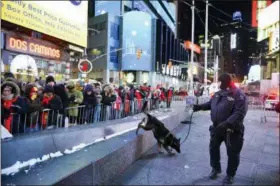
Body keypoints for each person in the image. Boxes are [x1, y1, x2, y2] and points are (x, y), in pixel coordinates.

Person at [192, 73, 248, 185]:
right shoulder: (218, 93)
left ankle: (230, 175)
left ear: (227, 82)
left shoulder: (238, 95)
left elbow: (239, 113)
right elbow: (211, 104)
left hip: (231, 130)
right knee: (213, 149)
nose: (219, 84)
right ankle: (215, 168)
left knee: (232, 153)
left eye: (221, 82)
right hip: (217, 128)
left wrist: (227, 123)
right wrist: (199, 107)